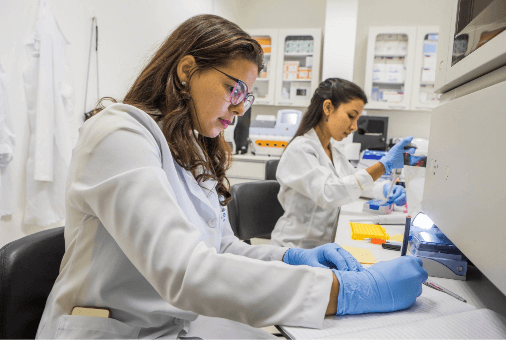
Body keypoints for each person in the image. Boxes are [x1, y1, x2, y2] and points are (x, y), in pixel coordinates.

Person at [35, 15, 427, 340]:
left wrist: (293, 258)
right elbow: (186, 272)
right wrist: (349, 293)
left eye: (247, 95)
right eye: (233, 87)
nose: (240, 108)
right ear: (187, 70)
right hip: (111, 331)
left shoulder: (187, 146)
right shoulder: (119, 135)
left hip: (171, 325)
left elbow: (220, 248)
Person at [270, 78, 413, 249]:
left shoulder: (333, 151)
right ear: (328, 107)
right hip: (295, 248)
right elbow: (329, 193)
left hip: (322, 246)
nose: (354, 127)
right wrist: (383, 165)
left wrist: (384, 189)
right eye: (351, 116)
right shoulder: (300, 149)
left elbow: (352, 182)